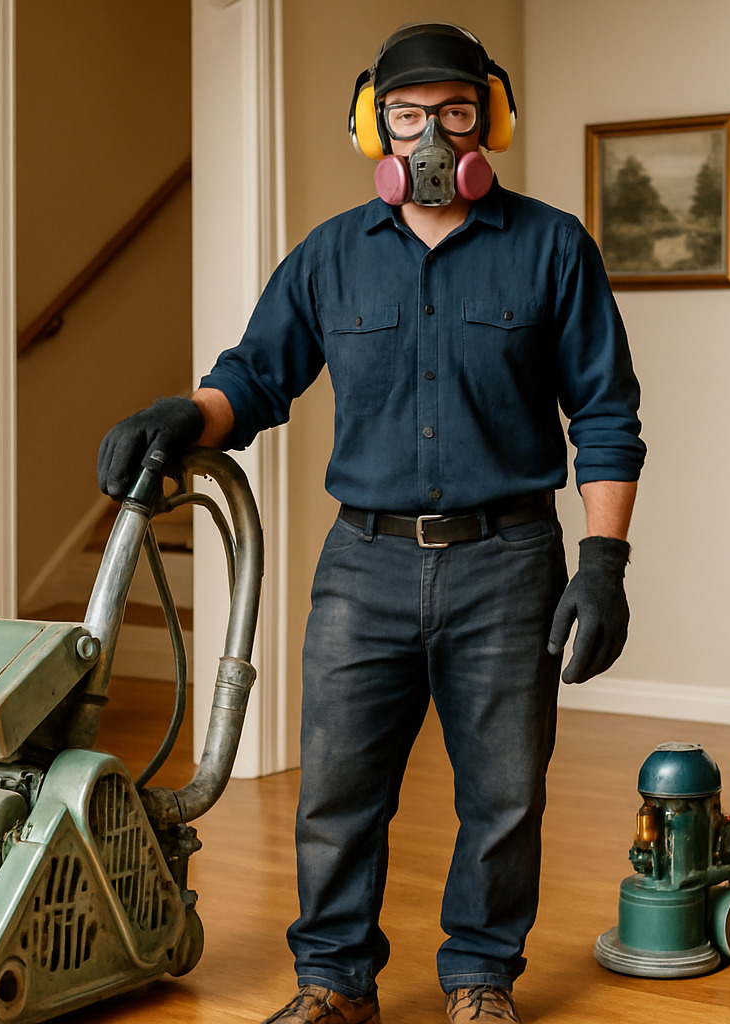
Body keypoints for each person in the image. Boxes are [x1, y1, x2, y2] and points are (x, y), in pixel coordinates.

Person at [97, 23, 644, 1024]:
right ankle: (335, 987)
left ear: (492, 120)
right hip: (365, 563)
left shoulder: (553, 248)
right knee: (338, 794)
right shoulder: (328, 259)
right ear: (372, 126)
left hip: (510, 560)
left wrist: (603, 562)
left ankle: (480, 980)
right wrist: (188, 413)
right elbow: (254, 378)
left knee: (504, 798)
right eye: (407, 113)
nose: (431, 133)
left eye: (455, 111)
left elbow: (606, 415)